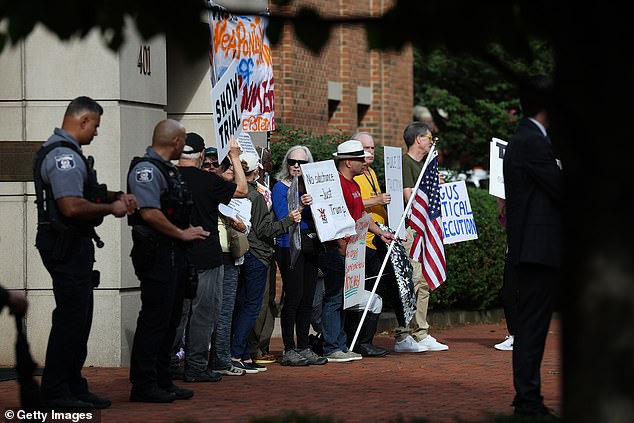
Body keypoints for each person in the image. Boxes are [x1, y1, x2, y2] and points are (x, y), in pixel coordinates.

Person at [33, 96, 138, 411]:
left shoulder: (66, 153)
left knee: (78, 319)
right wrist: (112, 207)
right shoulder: (63, 156)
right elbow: (70, 205)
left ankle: (73, 385)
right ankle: (56, 391)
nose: (96, 133)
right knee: (71, 319)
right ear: (83, 120)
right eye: (95, 126)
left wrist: (114, 194)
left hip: (70, 244)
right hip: (65, 244)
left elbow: (83, 194)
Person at [127, 119, 208, 403]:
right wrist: (181, 233)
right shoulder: (146, 171)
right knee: (155, 319)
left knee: (170, 319)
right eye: (182, 141)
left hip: (175, 254)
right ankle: (144, 384)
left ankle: (163, 378)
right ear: (176, 142)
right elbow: (149, 213)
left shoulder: (167, 170)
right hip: (158, 253)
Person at [503, 75, 561, 418]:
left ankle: (528, 398)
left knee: (533, 327)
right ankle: (527, 400)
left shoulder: (530, 139)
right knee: (533, 329)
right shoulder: (532, 141)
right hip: (538, 250)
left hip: (539, 248)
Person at [172, 133, 248, 383]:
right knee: (203, 314)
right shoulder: (207, 181)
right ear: (201, 155)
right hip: (206, 256)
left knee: (177, 313)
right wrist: (235, 158)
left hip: (175, 254)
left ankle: (170, 362)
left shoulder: (167, 177)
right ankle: (195, 366)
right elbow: (242, 189)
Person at [320, 140, 396, 363]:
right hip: (336, 252)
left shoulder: (353, 184)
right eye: (361, 159)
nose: (365, 162)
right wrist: (341, 246)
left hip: (351, 251)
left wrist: (380, 233)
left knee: (345, 298)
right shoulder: (337, 185)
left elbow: (362, 213)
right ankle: (332, 347)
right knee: (335, 299)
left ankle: (340, 344)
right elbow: (331, 218)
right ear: (348, 162)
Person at [230, 152, 302, 373]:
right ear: (256, 172)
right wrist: (289, 220)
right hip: (257, 254)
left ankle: (239, 353)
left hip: (239, 253)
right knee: (252, 307)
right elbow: (263, 230)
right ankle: (237, 353)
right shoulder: (255, 197)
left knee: (240, 305)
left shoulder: (232, 193)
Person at [272, 145, 328, 366]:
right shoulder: (280, 187)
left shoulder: (313, 187)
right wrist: (302, 206)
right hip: (289, 246)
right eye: (292, 162)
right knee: (293, 297)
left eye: (302, 163)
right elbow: (284, 216)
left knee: (308, 298)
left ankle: (304, 346)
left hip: (310, 244)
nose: (296, 166)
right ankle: (289, 349)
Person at [396, 122, 449, 353]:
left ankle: (421, 332)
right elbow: (409, 197)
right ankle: (406, 333)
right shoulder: (406, 163)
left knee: (424, 282)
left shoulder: (427, 165)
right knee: (413, 281)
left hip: (425, 231)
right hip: (412, 231)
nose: (431, 141)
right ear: (418, 139)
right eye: (429, 137)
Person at [204, 152, 250, 376]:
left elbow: (243, 193)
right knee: (203, 311)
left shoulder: (227, 190)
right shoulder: (203, 187)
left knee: (225, 312)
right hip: (206, 256)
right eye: (208, 164)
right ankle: (197, 360)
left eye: (217, 165)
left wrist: (241, 227)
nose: (213, 168)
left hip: (229, 256)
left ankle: (220, 359)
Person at [346, 132, 390, 357]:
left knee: (375, 293)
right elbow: (355, 203)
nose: (370, 152)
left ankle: (365, 339)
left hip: (376, 240)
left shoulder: (369, 172)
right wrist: (377, 200)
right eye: (366, 148)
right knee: (361, 294)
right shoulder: (354, 176)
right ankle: (357, 340)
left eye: (373, 148)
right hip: (361, 243)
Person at [248, 145, 278, 362]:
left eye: (268, 164)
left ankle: (263, 344)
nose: (266, 168)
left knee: (269, 298)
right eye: (263, 164)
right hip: (256, 251)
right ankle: (254, 347)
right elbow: (262, 227)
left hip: (270, 250)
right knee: (255, 300)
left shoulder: (269, 187)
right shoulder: (252, 193)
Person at [494, 197, 516, 351]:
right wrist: (501, 205)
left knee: (512, 292)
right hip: (514, 250)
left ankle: (517, 336)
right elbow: (504, 222)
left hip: (523, 251)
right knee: (510, 292)